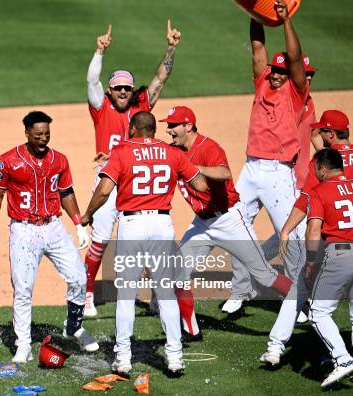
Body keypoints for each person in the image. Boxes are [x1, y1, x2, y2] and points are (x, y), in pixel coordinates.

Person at [81, 111, 208, 374]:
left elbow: (104, 190)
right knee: (165, 294)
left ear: (133, 129)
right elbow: (201, 185)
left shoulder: (122, 151)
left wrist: (88, 213)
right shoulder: (172, 153)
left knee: (126, 294)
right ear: (153, 130)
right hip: (162, 225)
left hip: (133, 226)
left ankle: (124, 358)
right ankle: (174, 356)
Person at [162, 106, 292, 341]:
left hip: (230, 220)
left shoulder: (208, 147)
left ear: (188, 126)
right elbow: (150, 154)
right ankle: (191, 330)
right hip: (202, 225)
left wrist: (192, 168)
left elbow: (224, 173)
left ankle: (304, 302)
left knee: (264, 275)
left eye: (173, 125)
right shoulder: (172, 150)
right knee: (176, 271)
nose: (169, 130)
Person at [0, 111, 97, 363]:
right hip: (23, 230)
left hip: (53, 226)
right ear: (26, 133)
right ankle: (23, 343)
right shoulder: (8, 161)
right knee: (23, 289)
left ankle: (74, 326)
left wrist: (78, 224)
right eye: (38, 135)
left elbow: (66, 193)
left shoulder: (59, 160)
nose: (43, 139)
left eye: (47, 134)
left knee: (79, 277)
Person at [84, 21, 181, 317]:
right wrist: (99, 52)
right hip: (108, 180)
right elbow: (91, 81)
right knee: (99, 239)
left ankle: (155, 296)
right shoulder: (101, 106)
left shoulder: (141, 106)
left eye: (127, 87)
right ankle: (87, 294)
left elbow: (160, 79)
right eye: (118, 88)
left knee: (146, 238)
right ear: (110, 90)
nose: (124, 91)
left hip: (136, 183)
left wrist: (171, 47)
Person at [225, 0, 308, 314]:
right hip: (251, 169)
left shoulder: (296, 91)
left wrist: (285, 21)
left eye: (281, 72)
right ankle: (241, 289)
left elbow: (296, 57)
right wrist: (253, 13)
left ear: (291, 75)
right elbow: (258, 47)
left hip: (277, 173)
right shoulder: (262, 81)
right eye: (274, 70)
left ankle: (299, 298)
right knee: (235, 225)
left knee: (292, 236)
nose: (275, 75)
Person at [260, 110, 353, 366]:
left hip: (327, 241)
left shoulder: (322, 164)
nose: (318, 135)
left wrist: (287, 229)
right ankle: (345, 355)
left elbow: (307, 198)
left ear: (331, 133)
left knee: (299, 290)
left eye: (322, 131)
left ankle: (275, 347)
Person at [305, 148, 353, 388]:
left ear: (323, 169)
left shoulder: (319, 191)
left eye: (316, 168)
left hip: (340, 254)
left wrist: (311, 261)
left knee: (318, 312)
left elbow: (314, 231)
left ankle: (343, 360)